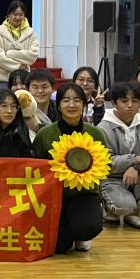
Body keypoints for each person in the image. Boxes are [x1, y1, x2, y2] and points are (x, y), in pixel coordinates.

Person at [30, 83, 106, 253]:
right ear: (58, 106)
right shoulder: (45, 134)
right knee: (59, 246)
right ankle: (67, 233)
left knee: (87, 227)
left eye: (77, 100)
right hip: (53, 197)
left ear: (84, 104)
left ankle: (81, 234)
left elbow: (104, 166)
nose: (72, 105)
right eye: (66, 100)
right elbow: (35, 167)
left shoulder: (95, 134)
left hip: (85, 195)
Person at [96, 82, 140, 229]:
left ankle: (134, 213)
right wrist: (136, 159)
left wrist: (136, 167)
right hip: (111, 178)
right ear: (114, 103)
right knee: (123, 206)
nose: (130, 105)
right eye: (124, 101)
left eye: (135, 101)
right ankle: (113, 208)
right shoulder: (103, 128)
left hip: (138, 175)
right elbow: (105, 162)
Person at [0, 0, 39, 89]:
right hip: (2, 79)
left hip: (23, 80)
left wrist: (10, 54)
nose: (17, 17)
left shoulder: (31, 33)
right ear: (9, 15)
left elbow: (33, 55)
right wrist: (18, 66)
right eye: (14, 14)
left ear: (24, 15)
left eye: (21, 15)